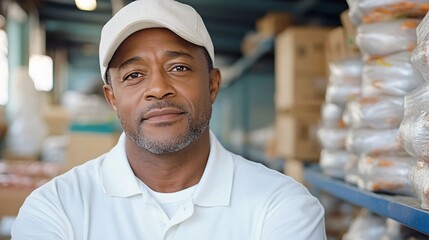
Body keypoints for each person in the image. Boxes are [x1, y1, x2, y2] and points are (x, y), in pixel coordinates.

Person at [11, 0, 326, 239]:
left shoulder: (282, 206)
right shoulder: (56, 209)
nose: (158, 89)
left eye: (179, 68)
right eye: (134, 75)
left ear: (213, 84)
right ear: (112, 98)